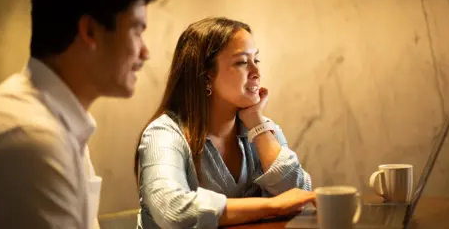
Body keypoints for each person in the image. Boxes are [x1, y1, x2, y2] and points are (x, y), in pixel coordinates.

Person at [0, 0, 157, 228]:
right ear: (89, 31)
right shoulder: (30, 137)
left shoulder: (57, 121)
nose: (145, 52)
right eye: (136, 30)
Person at [134, 17, 315, 229]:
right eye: (241, 62)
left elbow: (299, 194)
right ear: (206, 76)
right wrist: (272, 205)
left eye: (256, 60)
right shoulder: (163, 134)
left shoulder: (261, 128)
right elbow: (173, 210)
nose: (256, 73)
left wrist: (256, 121)